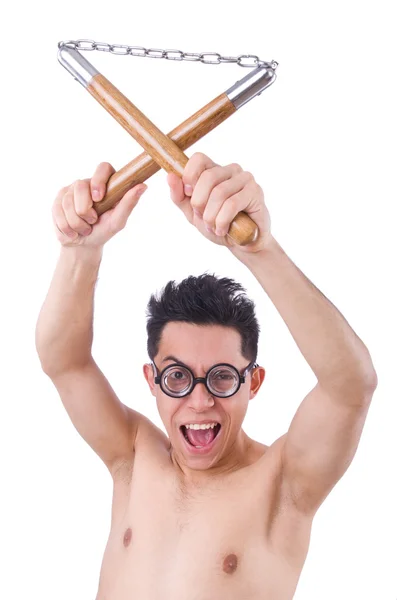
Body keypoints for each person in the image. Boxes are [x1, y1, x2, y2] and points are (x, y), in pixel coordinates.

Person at [35, 153, 378, 599]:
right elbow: (63, 360)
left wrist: (259, 249)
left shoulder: (283, 485)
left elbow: (351, 384)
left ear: (252, 382)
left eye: (220, 378)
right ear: (152, 379)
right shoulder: (134, 456)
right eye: (177, 377)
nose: (200, 402)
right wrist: (80, 253)